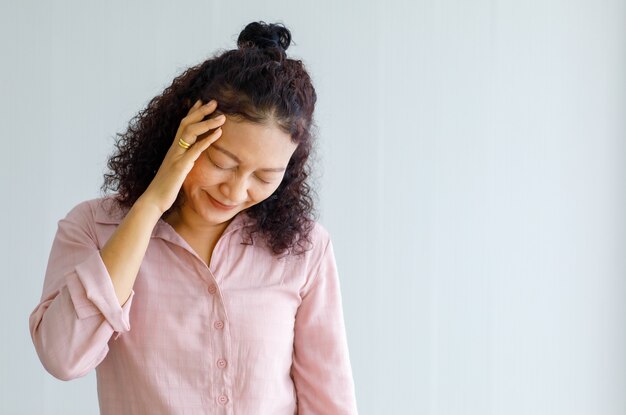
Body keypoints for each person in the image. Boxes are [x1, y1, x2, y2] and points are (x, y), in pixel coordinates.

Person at [28, 21, 358, 414]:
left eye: (264, 177)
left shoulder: (305, 249)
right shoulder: (94, 228)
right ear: (188, 128)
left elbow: (330, 404)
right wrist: (150, 205)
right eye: (222, 163)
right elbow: (63, 358)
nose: (235, 191)